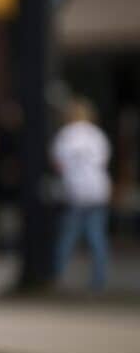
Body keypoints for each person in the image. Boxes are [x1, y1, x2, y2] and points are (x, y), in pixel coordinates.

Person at [51, 96, 111, 291]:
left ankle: (56, 275)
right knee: (97, 237)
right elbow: (103, 161)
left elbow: (58, 165)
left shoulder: (65, 135)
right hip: (97, 190)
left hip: (76, 191)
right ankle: (99, 280)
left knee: (68, 236)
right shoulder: (96, 135)